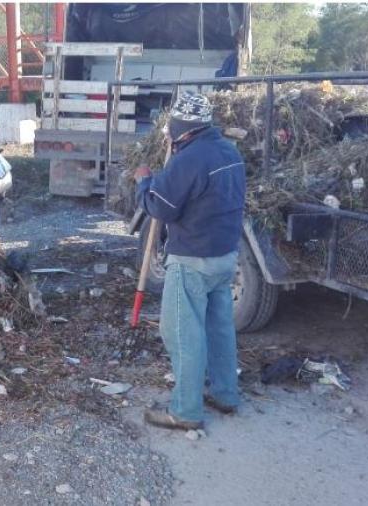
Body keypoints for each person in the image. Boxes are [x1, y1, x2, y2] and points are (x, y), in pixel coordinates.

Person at [134, 91, 246, 431]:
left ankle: (185, 411)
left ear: (183, 129)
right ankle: (226, 394)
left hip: (192, 259)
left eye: (172, 129)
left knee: (183, 333)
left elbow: (160, 207)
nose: (170, 135)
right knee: (219, 328)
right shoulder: (230, 151)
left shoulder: (189, 160)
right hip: (225, 255)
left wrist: (144, 182)